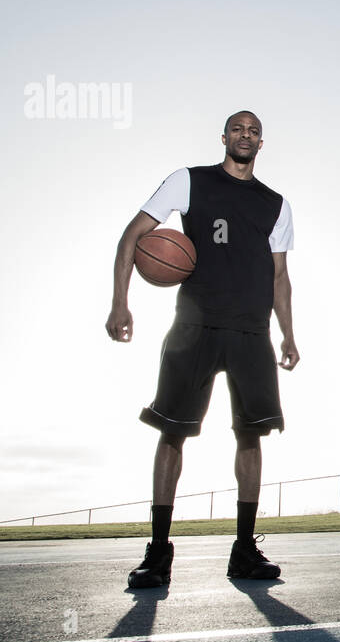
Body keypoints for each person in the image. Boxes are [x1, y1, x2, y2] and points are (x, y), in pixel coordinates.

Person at [105, 110, 300, 588]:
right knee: (171, 432)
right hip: (194, 324)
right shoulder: (188, 181)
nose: (246, 135)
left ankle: (244, 549)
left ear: (261, 143)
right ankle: (157, 551)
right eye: (238, 128)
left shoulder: (276, 205)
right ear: (224, 137)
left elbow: (279, 276)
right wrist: (119, 303)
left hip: (251, 332)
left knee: (251, 436)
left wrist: (288, 334)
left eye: (254, 131)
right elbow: (133, 236)